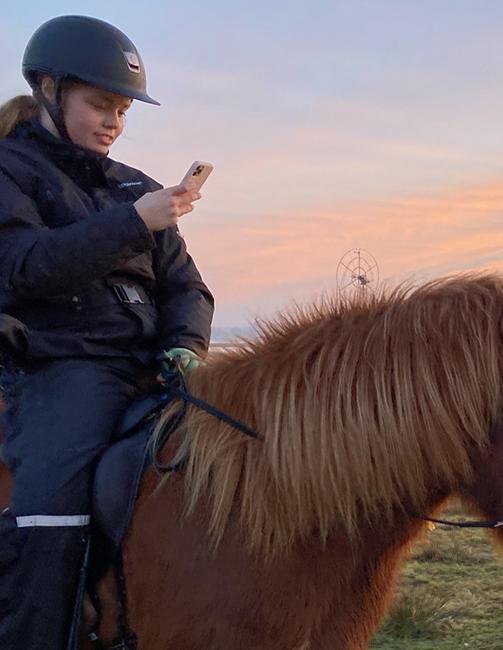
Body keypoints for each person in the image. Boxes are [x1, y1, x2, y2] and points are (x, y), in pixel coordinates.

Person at [0, 15, 213, 647]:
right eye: (100, 104)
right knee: (51, 513)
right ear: (47, 88)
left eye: (122, 109)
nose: (115, 121)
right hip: (62, 366)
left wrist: (186, 343)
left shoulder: (134, 186)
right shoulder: (11, 171)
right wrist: (133, 225)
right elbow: (21, 268)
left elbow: (187, 287)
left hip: (155, 363)